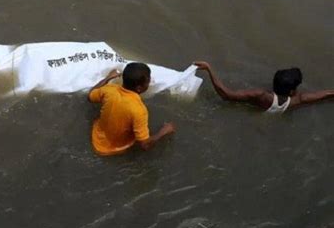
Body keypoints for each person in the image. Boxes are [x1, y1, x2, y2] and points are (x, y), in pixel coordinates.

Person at [88, 62, 175, 156]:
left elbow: (90, 95)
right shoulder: (139, 110)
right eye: (148, 81)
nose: (150, 83)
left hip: (96, 138)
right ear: (139, 88)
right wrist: (163, 132)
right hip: (116, 149)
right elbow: (145, 145)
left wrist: (108, 77)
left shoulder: (109, 90)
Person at [194, 61, 334, 113]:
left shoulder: (260, 96)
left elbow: (225, 95)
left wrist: (209, 68)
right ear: (292, 91)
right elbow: (326, 94)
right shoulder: (298, 100)